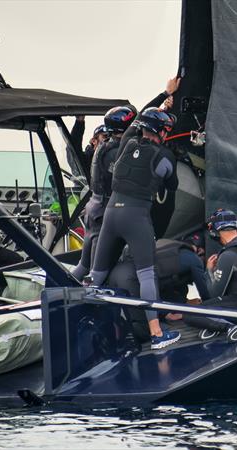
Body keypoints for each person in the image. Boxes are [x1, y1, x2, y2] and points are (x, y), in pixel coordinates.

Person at [88, 106, 181, 350]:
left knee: (96, 276)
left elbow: (132, 126)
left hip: (110, 215)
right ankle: (157, 333)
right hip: (135, 217)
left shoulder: (126, 144)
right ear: (160, 132)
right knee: (146, 274)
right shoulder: (164, 157)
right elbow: (171, 184)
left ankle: (87, 328)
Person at [72, 77, 181, 280]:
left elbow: (139, 121)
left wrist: (163, 101)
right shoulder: (121, 150)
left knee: (84, 267)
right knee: (98, 274)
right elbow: (139, 122)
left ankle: (52, 291)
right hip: (107, 214)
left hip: (93, 211)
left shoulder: (103, 147)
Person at [184, 209, 237, 341]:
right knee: (207, 307)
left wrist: (209, 271)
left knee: (189, 313)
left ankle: (229, 328)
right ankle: (215, 326)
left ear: (215, 229)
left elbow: (214, 294)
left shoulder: (228, 255)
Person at [107, 236, 209, 341]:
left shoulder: (167, 245)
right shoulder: (192, 258)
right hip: (134, 281)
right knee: (144, 326)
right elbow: (205, 293)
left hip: (119, 279)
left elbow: (165, 287)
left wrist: (173, 309)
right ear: (198, 249)